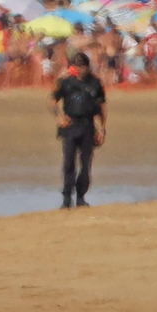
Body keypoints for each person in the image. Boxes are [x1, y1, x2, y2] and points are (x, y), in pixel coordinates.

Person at [51, 51, 107, 208]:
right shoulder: (66, 82)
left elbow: (102, 106)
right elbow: (52, 100)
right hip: (70, 125)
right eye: (77, 66)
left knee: (85, 163)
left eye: (83, 66)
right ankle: (67, 197)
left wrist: (102, 129)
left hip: (88, 125)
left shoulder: (95, 83)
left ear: (88, 67)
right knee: (69, 162)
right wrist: (59, 117)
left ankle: (81, 196)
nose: (80, 69)